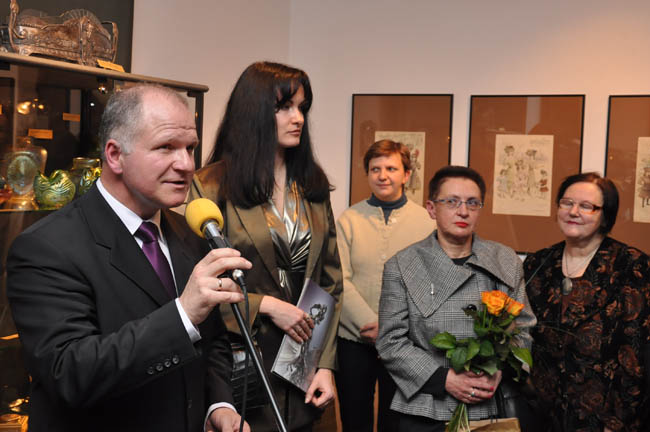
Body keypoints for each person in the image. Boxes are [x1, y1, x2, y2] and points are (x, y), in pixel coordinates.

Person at [6, 84, 252, 432]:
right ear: (115, 155)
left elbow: (212, 342)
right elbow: (70, 373)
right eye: (166, 147)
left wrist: (219, 404)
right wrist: (182, 314)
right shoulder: (46, 247)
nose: (186, 165)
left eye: (190, 148)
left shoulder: (189, 233)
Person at [189, 61, 342, 432]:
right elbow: (198, 284)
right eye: (284, 107)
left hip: (305, 362)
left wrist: (325, 365)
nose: (298, 118)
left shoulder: (312, 185)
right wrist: (269, 307)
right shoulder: (211, 185)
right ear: (254, 111)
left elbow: (330, 280)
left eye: (302, 107)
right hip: (242, 361)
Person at [376, 165, 536, 432]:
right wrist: (444, 379)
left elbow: (524, 328)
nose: (463, 211)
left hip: (490, 402)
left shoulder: (505, 260)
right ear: (431, 208)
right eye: (452, 202)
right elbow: (390, 341)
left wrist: (499, 370)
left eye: (472, 203)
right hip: (426, 406)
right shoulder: (403, 265)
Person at [523, 172, 650, 432]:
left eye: (586, 206)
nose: (573, 212)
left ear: (605, 216)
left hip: (605, 420)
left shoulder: (631, 265)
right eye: (567, 203)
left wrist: (617, 423)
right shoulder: (538, 263)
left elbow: (636, 354)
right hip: (542, 416)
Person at [335, 139, 435, 432]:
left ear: (406, 175)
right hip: (354, 339)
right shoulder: (349, 219)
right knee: (354, 421)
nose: (382, 175)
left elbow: (429, 283)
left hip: (406, 341)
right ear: (367, 174)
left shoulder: (427, 223)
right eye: (375, 169)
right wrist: (371, 324)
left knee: (397, 423)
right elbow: (339, 279)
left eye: (391, 168)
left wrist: (391, 328)